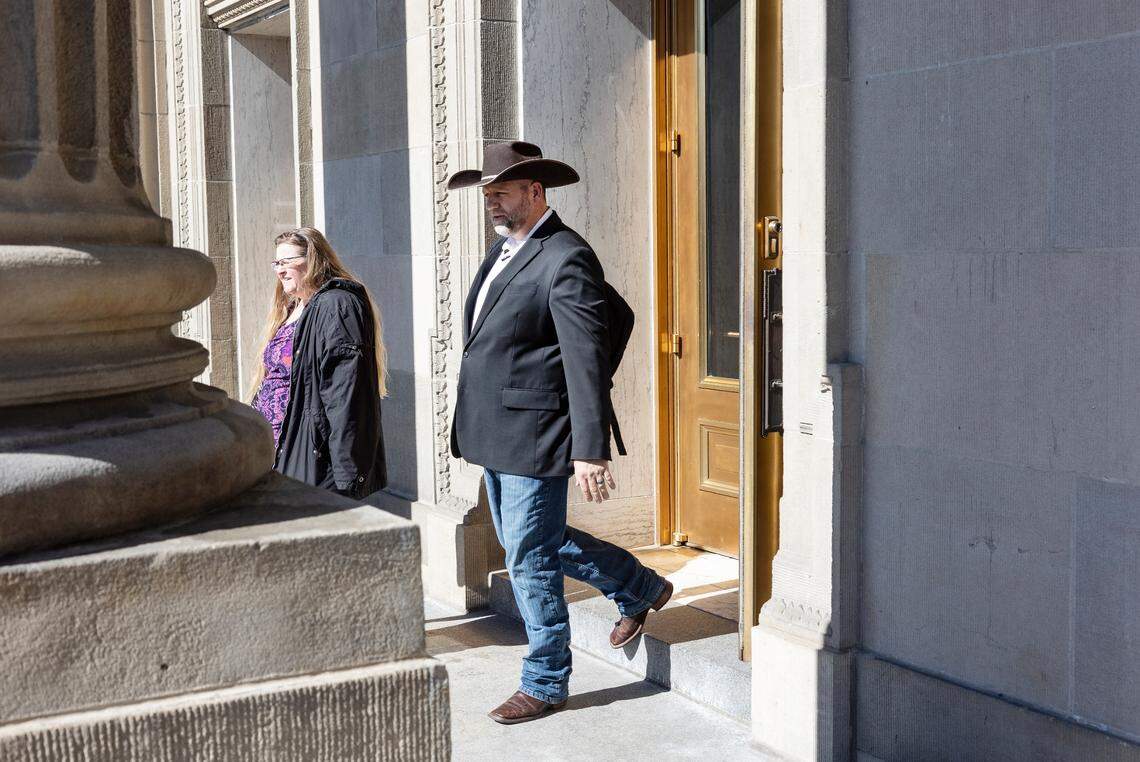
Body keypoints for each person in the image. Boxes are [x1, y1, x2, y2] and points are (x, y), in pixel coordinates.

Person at [448, 141, 673, 724]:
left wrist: (589, 446)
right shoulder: (507, 249)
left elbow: (584, 353)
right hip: (496, 430)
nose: (492, 200)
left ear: (536, 191)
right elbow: (610, 318)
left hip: (536, 433)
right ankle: (638, 584)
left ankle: (546, 678)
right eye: (488, 192)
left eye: (502, 190)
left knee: (528, 555)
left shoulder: (565, 254)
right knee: (534, 540)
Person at [250, 227, 388, 499]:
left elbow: (346, 393)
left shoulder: (337, 305)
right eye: (277, 263)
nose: (280, 270)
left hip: (308, 451)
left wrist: (347, 472)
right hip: (275, 448)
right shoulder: (291, 307)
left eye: (287, 261)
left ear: (313, 259)